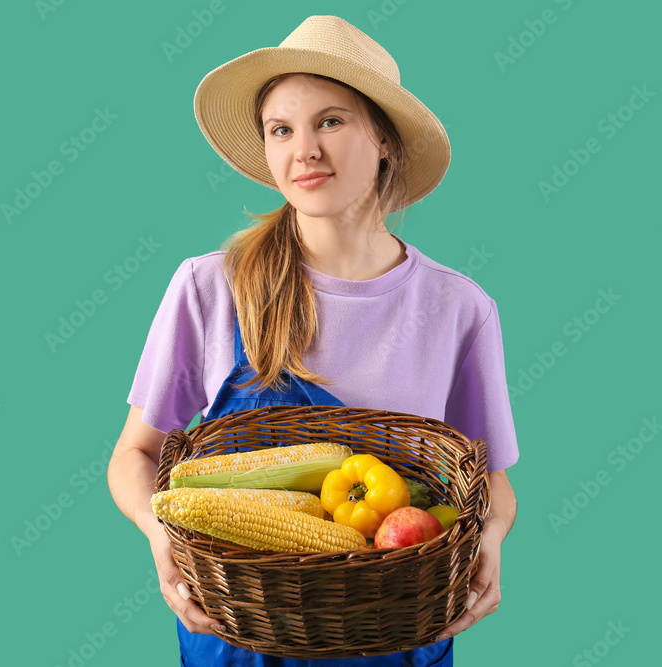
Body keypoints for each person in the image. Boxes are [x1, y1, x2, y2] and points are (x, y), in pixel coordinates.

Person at [106, 15, 519, 667]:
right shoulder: (212, 288)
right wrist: (160, 535)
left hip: (392, 638)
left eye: (330, 121)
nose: (304, 150)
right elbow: (134, 454)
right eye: (281, 129)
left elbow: (488, 480)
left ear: (384, 140)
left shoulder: (458, 307)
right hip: (236, 636)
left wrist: (492, 535)